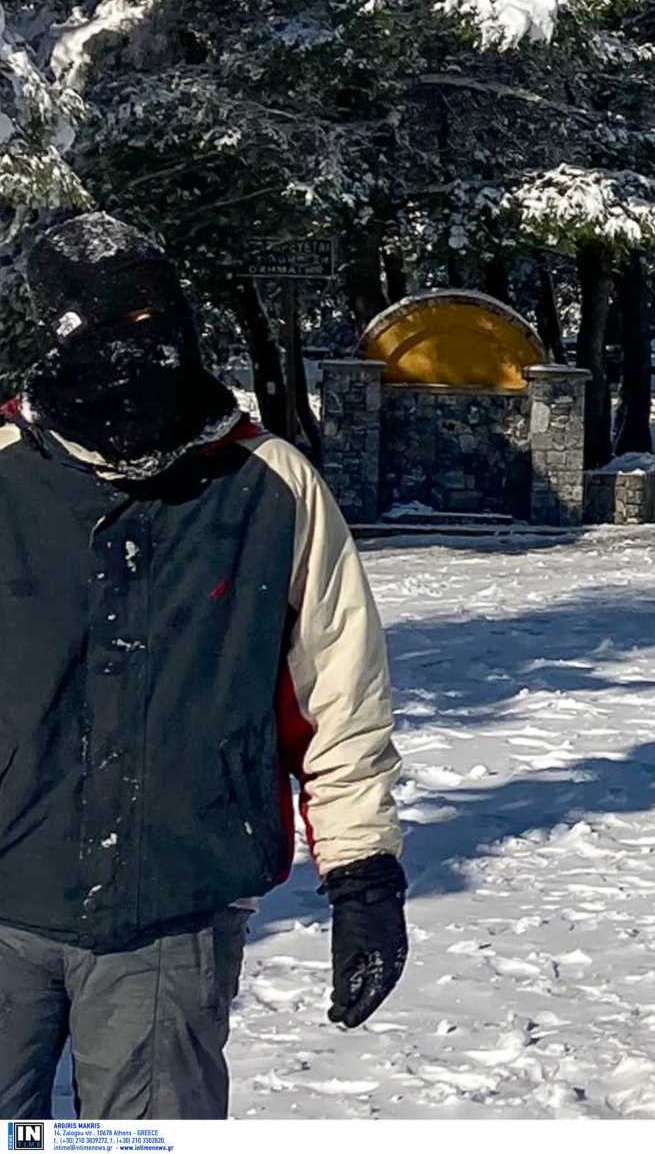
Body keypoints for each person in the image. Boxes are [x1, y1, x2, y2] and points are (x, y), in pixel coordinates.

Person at [0, 214, 406, 1120]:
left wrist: (363, 875)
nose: (144, 345)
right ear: (60, 334)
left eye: (158, 317)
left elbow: (340, 699)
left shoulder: (271, 485)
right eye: (114, 322)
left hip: (172, 908)